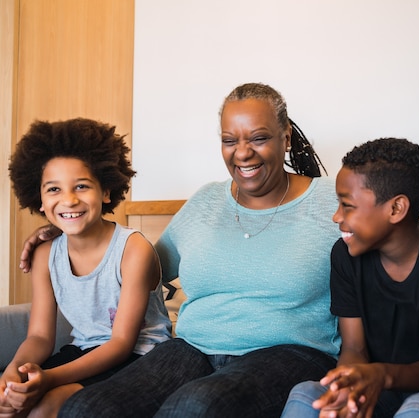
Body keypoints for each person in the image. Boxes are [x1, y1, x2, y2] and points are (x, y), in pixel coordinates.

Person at [19, 83, 342, 417]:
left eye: (258, 138)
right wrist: (67, 231)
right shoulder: (207, 201)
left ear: (285, 137)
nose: (242, 153)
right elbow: (139, 264)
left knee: (194, 406)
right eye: (229, 140)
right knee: (88, 407)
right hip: (192, 349)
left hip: (290, 353)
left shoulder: (332, 200)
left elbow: (388, 257)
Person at [281, 138, 419, 418]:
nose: (336, 216)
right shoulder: (345, 255)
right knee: (305, 394)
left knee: (418, 410)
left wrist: (381, 375)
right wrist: (348, 384)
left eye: (347, 205)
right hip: (375, 378)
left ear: (396, 209)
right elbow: (353, 348)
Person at [1, 118, 172, 417]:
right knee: (12, 402)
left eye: (81, 186)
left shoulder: (133, 250)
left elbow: (121, 343)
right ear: (39, 199)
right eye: (53, 189)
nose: (68, 199)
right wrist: (13, 374)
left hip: (138, 357)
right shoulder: (45, 255)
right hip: (81, 351)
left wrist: (49, 379)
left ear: (106, 192)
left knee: (44, 408)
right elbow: (40, 337)